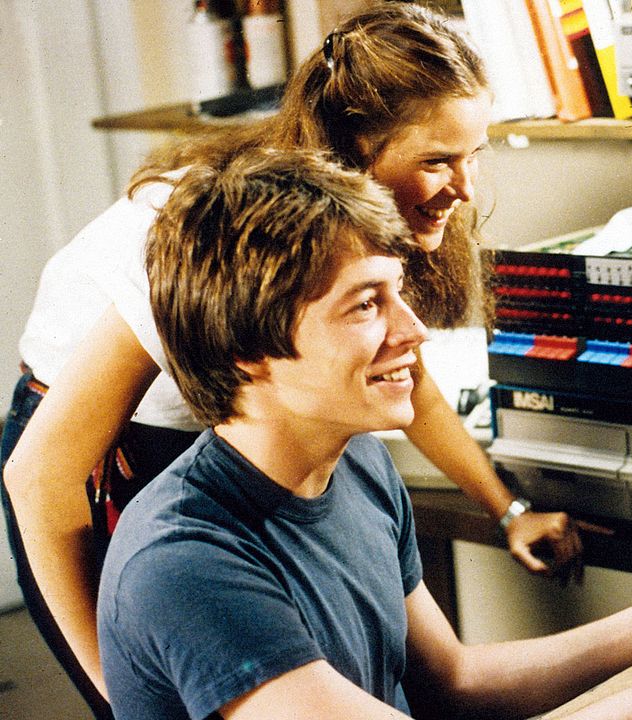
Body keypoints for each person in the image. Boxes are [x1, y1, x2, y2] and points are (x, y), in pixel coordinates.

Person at [98, 144, 632, 720]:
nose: (411, 331)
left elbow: (453, 685)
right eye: (364, 307)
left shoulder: (354, 465)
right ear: (244, 350)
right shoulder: (185, 565)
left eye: (397, 294)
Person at [1, 5, 584, 717]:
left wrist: (508, 510)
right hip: (90, 452)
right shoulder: (218, 242)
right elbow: (38, 477)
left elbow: (406, 369)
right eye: (436, 160)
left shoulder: (344, 230)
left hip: (219, 433)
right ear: (360, 146)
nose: (464, 188)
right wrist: (126, 692)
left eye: (474, 155)